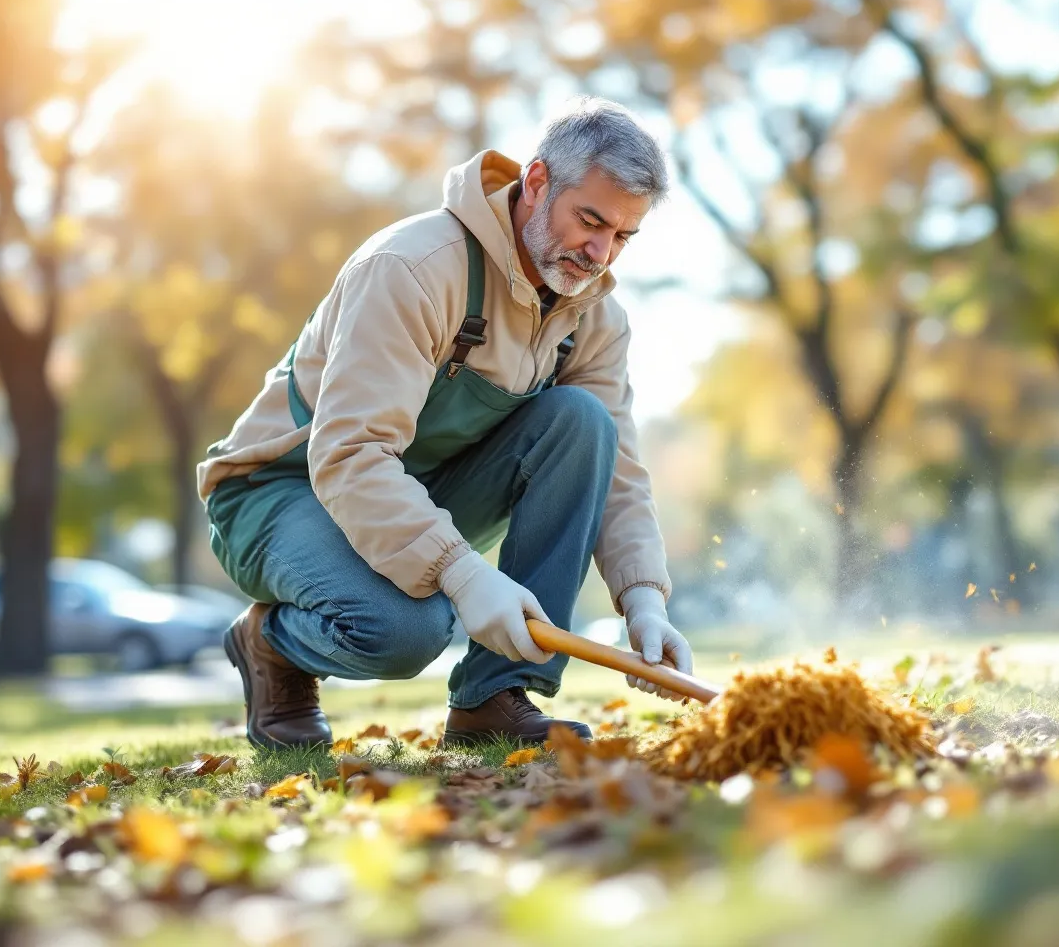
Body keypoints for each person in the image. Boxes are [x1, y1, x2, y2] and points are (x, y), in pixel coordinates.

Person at [198, 97, 692, 749]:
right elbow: (351, 454)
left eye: (623, 236)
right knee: (404, 632)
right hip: (285, 489)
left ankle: (496, 696)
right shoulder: (411, 268)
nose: (600, 252)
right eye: (590, 221)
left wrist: (645, 601)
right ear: (537, 183)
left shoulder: (594, 319)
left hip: (419, 490)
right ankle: (272, 646)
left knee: (584, 422)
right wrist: (461, 573)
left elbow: (618, 473)